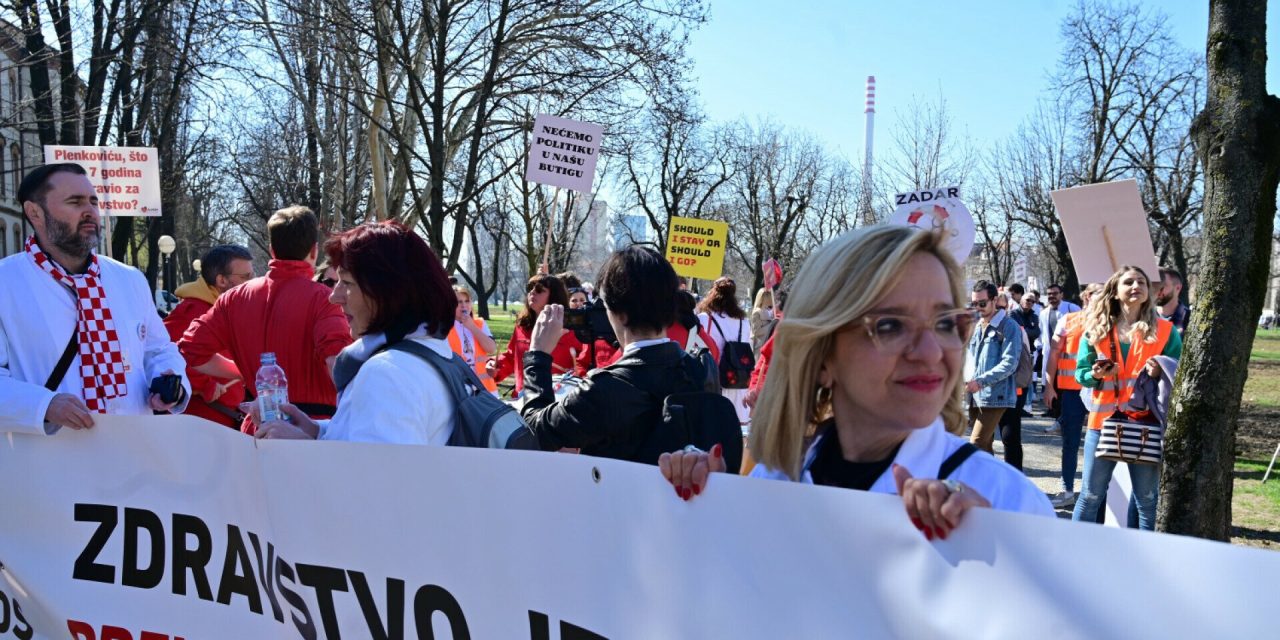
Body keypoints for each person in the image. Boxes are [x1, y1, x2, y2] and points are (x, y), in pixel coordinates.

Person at [659, 226, 1053, 533]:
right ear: (823, 354)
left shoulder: (1009, 503)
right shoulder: (776, 478)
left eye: (946, 322)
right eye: (890, 325)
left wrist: (1002, 568)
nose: (931, 352)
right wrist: (701, 508)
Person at [0, 163, 190, 434]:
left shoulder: (129, 279)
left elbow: (158, 349)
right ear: (35, 213)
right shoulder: (6, 282)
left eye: (92, 201)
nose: (89, 211)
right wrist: (43, 405)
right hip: (50, 461)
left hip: (135, 450)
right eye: (74, 202)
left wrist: (170, 383)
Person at [254, 222, 458, 444]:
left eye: (347, 282)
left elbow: (375, 475)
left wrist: (304, 447)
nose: (334, 297)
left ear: (389, 292)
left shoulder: (387, 373)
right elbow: (370, 445)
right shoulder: (434, 352)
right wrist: (315, 430)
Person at [519, 246, 714, 461]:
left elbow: (534, 433)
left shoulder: (605, 390)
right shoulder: (701, 368)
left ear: (615, 311)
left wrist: (537, 355)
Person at [179, 206, 351, 434]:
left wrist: (243, 371)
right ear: (314, 250)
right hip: (311, 431)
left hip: (259, 430)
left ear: (271, 249)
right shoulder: (324, 298)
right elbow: (337, 364)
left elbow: (190, 350)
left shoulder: (233, 298)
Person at [1071, 266, 1182, 529]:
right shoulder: (1095, 329)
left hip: (1146, 423)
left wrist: (1160, 369)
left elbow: (1178, 371)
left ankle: (1144, 560)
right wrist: (1096, 374)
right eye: (1129, 282)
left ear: (1148, 291)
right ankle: (1073, 552)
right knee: (1090, 496)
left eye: (1141, 282)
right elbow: (1081, 375)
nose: (1136, 286)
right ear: (1115, 291)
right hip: (1103, 422)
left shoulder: (1166, 331)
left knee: (1147, 499)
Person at [162, 245, 255, 428]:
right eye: (245, 277)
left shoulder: (225, 309)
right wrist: (205, 384)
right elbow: (166, 355)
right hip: (201, 421)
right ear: (221, 280)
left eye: (252, 276)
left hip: (221, 418)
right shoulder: (193, 310)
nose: (252, 282)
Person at [1042, 283, 1101, 508]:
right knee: (1071, 442)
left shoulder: (1113, 322)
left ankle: (1095, 496)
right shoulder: (1068, 320)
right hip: (1073, 391)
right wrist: (1049, 386)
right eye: (1098, 294)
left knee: (1100, 445)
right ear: (1086, 297)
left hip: (1101, 392)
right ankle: (1067, 490)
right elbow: (1054, 353)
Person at [487, 273, 586, 396]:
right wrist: (496, 366)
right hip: (522, 397)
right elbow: (512, 357)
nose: (532, 293)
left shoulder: (571, 329)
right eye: (530, 288)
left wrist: (576, 374)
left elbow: (584, 364)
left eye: (539, 290)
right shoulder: (522, 326)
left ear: (554, 296)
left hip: (557, 399)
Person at [965, 280, 1022, 458]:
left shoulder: (1008, 325)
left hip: (996, 395)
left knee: (975, 444)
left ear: (994, 300)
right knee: (984, 449)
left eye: (982, 303)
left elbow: (1010, 363)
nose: (978, 307)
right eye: (974, 304)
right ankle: (989, 485)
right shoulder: (976, 325)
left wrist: (981, 382)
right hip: (974, 395)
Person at [697, 277, 753, 426]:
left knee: (713, 427)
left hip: (714, 379)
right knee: (736, 428)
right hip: (738, 380)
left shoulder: (705, 319)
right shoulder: (744, 322)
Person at [447, 284, 499, 395]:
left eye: (467, 301)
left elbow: (491, 348)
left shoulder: (479, 323)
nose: (464, 305)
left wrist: (472, 327)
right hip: (460, 389)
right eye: (459, 302)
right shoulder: (445, 327)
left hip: (485, 389)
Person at [1038, 283, 1081, 413]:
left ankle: (1062, 415)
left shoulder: (1071, 308)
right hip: (1050, 354)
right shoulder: (1044, 312)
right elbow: (1042, 333)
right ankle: (1053, 412)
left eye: (1055, 294)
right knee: (1051, 384)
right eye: (1049, 294)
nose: (1052, 297)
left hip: (1068, 357)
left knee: (1065, 388)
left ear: (1061, 294)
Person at [1156, 266, 1191, 333]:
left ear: (1178, 288)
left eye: (1163, 285)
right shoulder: (1146, 315)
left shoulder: (1189, 318)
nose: (1158, 290)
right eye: (1155, 285)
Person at [749, 288, 774, 356]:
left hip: (768, 344)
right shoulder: (757, 313)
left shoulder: (771, 311)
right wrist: (771, 325)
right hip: (759, 346)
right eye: (767, 295)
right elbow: (757, 331)